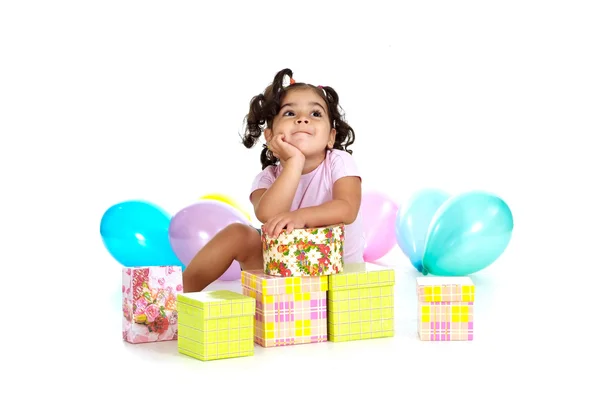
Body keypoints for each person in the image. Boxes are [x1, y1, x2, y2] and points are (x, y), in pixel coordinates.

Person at [182, 68, 365, 293]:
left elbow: (347, 209)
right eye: (290, 114)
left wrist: (301, 217)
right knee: (238, 234)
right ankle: (178, 297)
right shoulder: (267, 177)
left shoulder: (338, 162)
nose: (303, 119)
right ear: (270, 136)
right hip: (283, 270)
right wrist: (294, 162)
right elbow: (268, 215)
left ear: (331, 137)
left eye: (315, 114)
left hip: (334, 275)